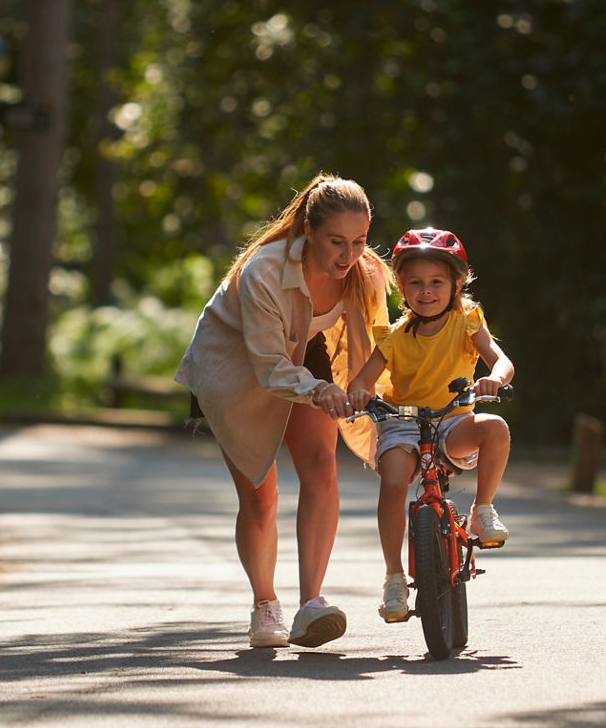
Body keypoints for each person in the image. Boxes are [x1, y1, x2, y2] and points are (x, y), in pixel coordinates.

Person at [175, 174, 392, 648]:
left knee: (320, 465)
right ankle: (264, 607)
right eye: (336, 241)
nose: (348, 255)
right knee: (260, 495)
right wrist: (319, 391)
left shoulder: (366, 272)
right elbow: (270, 367)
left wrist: (363, 387)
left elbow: (382, 343)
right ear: (308, 232)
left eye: (358, 242)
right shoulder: (265, 272)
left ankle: (311, 604)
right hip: (236, 362)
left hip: (302, 351)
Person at [346, 227, 514, 623]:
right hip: (404, 425)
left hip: (453, 420)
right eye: (415, 282)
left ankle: (482, 510)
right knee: (392, 482)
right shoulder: (392, 337)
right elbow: (363, 380)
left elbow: (501, 360)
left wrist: (495, 379)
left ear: (457, 283)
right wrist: (357, 393)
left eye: (437, 282)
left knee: (496, 428)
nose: (426, 291)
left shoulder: (467, 323)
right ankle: (393, 578)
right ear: (401, 287)